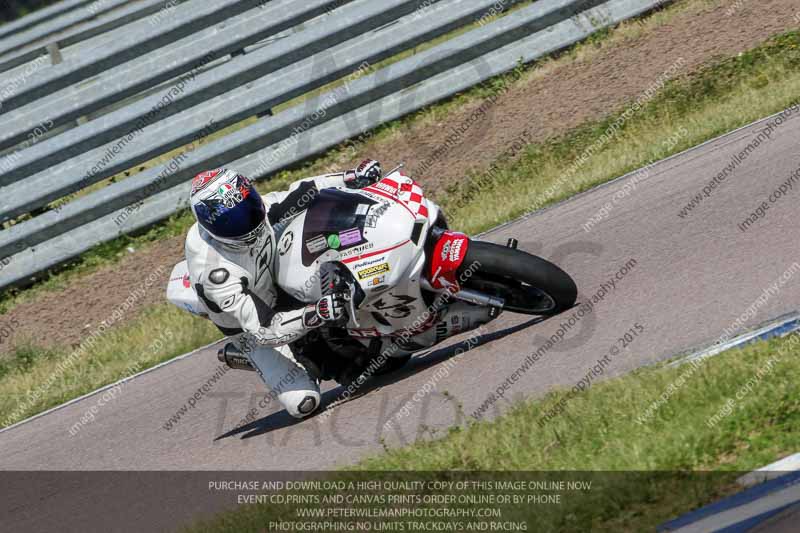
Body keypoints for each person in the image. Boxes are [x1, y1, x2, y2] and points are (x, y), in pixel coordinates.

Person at [184, 160, 383, 418]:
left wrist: (351, 177)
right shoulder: (214, 273)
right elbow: (264, 329)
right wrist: (319, 312)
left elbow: (305, 190)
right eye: (230, 220)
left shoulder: (259, 209)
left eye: (246, 206)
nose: (245, 220)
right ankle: (249, 356)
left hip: (275, 278)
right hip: (254, 326)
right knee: (304, 404)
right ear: (210, 227)